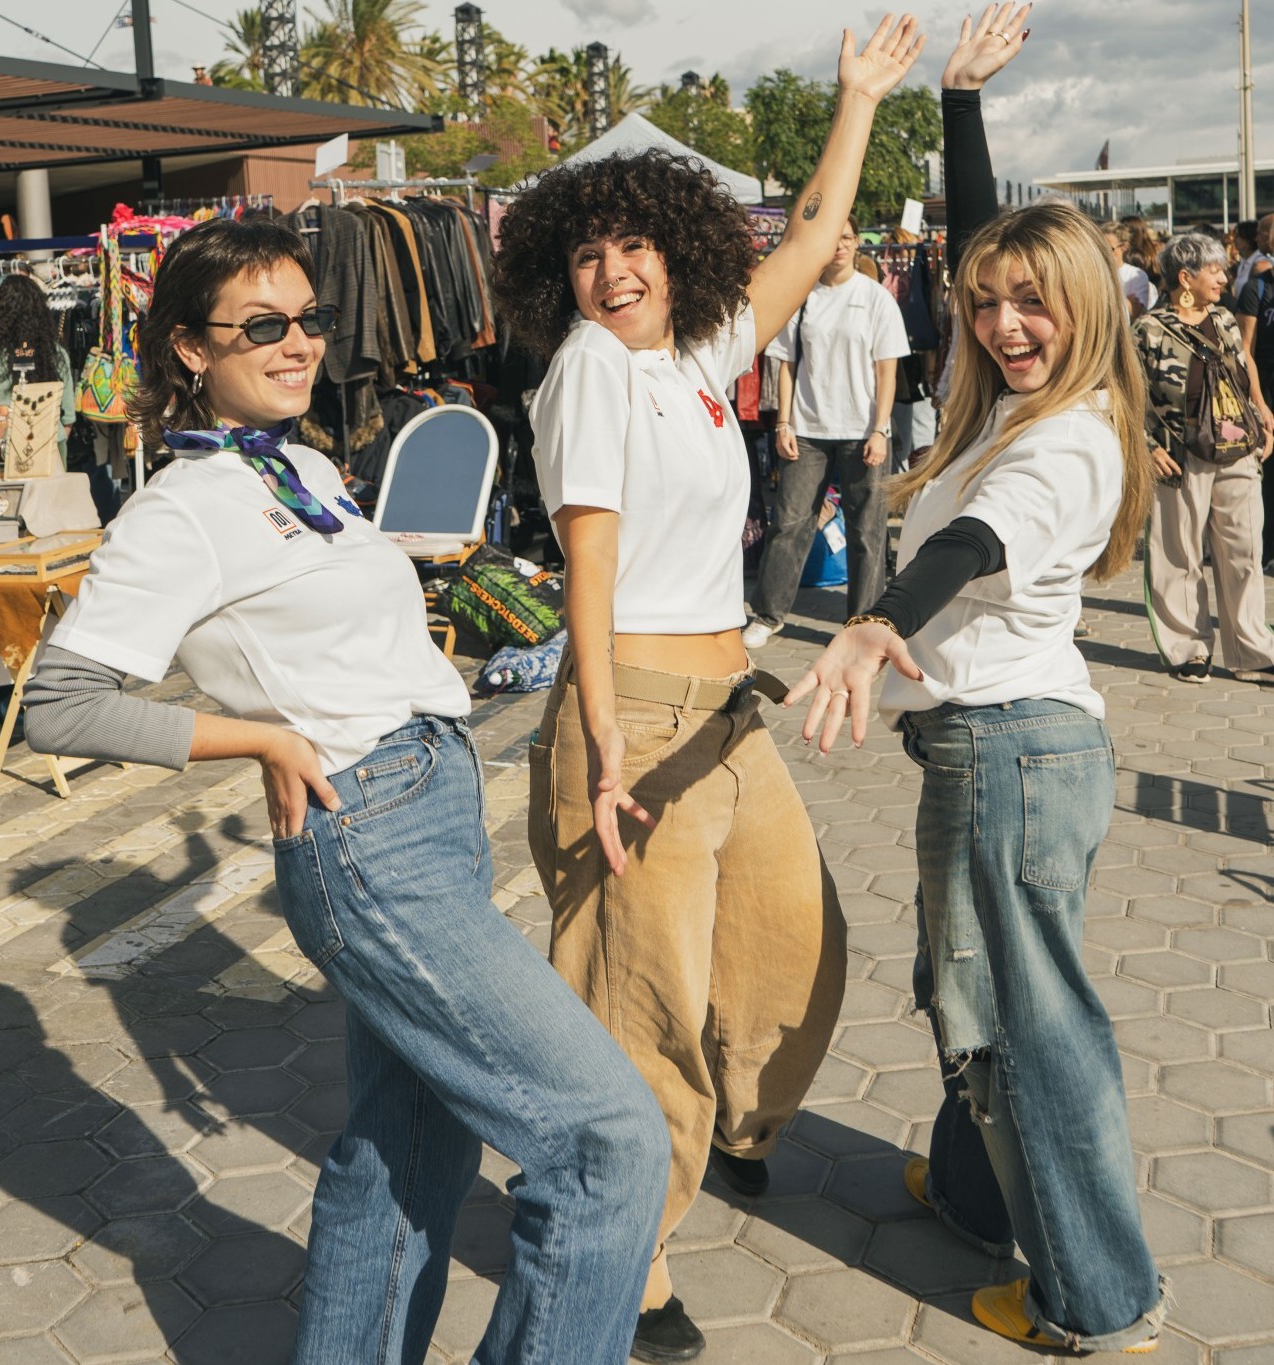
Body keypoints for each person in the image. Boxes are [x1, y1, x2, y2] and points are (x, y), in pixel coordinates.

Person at [21, 217, 671, 1365]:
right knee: (606, 1140)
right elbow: (62, 703)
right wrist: (259, 741)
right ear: (188, 349)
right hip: (365, 838)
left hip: (431, 807)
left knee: (406, 1152)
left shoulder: (306, 466)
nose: (298, 343)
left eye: (310, 318)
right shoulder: (181, 508)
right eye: (260, 326)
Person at [491, 16, 924, 1361]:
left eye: (634, 245)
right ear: (561, 273)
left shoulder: (688, 360)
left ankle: (734, 1127)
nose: (613, 271)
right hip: (634, 716)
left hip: (729, 714)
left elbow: (811, 237)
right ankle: (626, 1258)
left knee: (792, 946)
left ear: (676, 250)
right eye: (587, 253)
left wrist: (856, 100)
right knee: (642, 1005)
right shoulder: (588, 373)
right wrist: (604, 745)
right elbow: (589, 563)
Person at [784, 5, 1168, 1353]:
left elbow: (970, 543)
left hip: (1012, 752)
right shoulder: (1014, 394)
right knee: (972, 989)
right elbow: (981, 247)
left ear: (1085, 310)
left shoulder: (1066, 443)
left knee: (1024, 1022)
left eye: (1032, 305)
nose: (1006, 324)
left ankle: (1096, 1298)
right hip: (997, 748)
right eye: (989, 305)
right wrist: (956, 102)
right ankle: (970, 1192)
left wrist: (869, 623)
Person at [742, 211, 911, 647]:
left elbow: (887, 372)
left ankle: (863, 619)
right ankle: (768, 613)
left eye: (847, 237)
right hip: (808, 428)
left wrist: (880, 430)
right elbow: (786, 366)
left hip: (862, 430)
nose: (839, 245)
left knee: (867, 530)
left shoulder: (875, 299)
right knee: (789, 523)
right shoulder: (803, 299)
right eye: (832, 238)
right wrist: (783, 422)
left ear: (857, 244)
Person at [1134, 233, 1274, 684]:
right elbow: (1126, 394)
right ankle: (1189, 649)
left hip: (1236, 448)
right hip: (1178, 454)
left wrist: (1261, 409)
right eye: (1214, 270)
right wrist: (1147, 446)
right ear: (1185, 277)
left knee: (1244, 551)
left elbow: (1243, 363)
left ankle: (1252, 650)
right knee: (1179, 553)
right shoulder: (1148, 329)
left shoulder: (1224, 318)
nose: (1223, 278)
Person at [0, 272, 76, 463]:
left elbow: (0, 412)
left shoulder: (1, 356)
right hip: (53, 444)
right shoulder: (57, 353)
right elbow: (68, 416)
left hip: (13, 450)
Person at [1235, 229, 1274, 566]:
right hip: (1269, 390)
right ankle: (1266, 549)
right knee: (1269, 474)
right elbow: (1244, 349)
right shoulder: (1257, 289)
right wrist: (1259, 402)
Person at [1102, 222, 1156, 320]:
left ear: (1124, 247)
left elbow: (1133, 313)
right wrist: (1125, 302)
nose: (1104, 253)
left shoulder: (1136, 275)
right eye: (1101, 248)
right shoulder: (1094, 273)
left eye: (1110, 248)